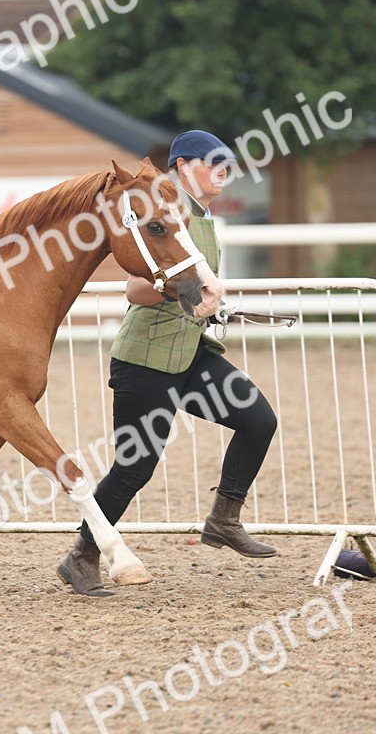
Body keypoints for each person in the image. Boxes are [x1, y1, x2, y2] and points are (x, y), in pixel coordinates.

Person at [57, 130, 280, 597]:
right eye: (212, 163)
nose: (223, 172)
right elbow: (135, 290)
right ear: (181, 167)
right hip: (147, 359)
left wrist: (211, 304)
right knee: (134, 468)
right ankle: (82, 556)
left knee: (258, 420)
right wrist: (183, 294)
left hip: (192, 356)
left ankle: (224, 518)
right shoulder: (162, 212)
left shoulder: (200, 217)